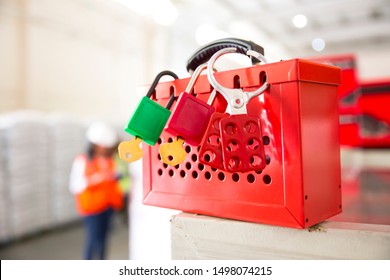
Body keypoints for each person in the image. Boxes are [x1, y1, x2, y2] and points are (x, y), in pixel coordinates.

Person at [69, 121, 124, 260]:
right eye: (103, 146)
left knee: (103, 241)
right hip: (92, 210)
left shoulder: (109, 160)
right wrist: (96, 179)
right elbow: (75, 185)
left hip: (107, 207)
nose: (106, 149)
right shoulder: (83, 161)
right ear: (94, 145)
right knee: (93, 240)